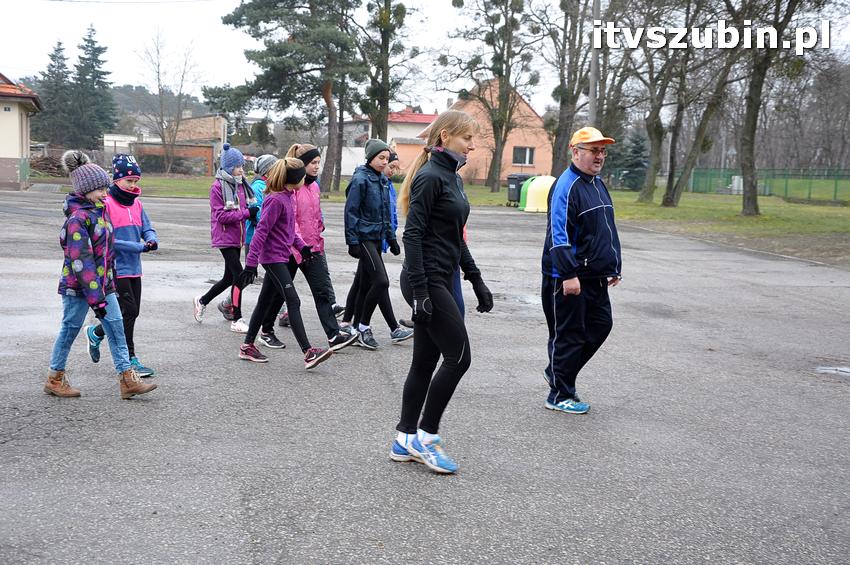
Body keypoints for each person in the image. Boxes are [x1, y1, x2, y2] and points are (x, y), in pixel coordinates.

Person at [389, 110, 494, 474]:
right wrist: (420, 292)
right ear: (446, 137)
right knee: (459, 357)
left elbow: (454, 236)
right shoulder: (431, 177)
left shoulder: (452, 177)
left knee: (424, 362)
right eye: (468, 138)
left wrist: (474, 277)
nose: (473, 145)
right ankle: (426, 437)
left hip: (444, 277)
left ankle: (404, 438)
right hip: (426, 279)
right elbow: (412, 235)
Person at [44, 150, 157, 400]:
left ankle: (127, 378)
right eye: (100, 189)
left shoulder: (100, 211)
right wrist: (97, 300)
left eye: (106, 188)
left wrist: (108, 285)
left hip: (105, 285)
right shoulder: (78, 219)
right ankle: (55, 377)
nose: (106, 193)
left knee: (117, 328)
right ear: (85, 190)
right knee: (69, 330)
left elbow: (107, 250)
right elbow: (81, 264)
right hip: (79, 289)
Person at [541, 126, 622, 415]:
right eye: (593, 150)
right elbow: (557, 233)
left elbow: (607, 229)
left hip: (596, 276)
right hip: (570, 277)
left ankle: (558, 371)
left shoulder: (597, 183)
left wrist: (614, 266)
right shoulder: (566, 185)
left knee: (601, 325)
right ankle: (559, 393)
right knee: (570, 335)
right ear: (575, 152)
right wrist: (567, 274)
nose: (599, 156)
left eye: (602, 151)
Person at [236, 158, 334, 370]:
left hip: (281, 255)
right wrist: (250, 265)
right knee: (293, 300)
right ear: (294, 179)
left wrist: (303, 247)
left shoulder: (289, 197)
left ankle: (247, 346)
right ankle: (308, 352)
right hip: (272, 258)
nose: (306, 178)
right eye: (302, 175)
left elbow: (288, 231)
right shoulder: (276, 200)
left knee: (263, 302)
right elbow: (261, 232)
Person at [260, 143, 356, 352]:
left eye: (319, 163)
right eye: (313, 163)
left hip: (313, 247)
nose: (316, 167)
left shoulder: (314, 186)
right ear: (301, 165)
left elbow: (314, 213)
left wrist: (319, 227)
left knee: (321, 291)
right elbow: (290, 220)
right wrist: (298, 245)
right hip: (291, 249)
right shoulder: (293, 187)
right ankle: (266, 331)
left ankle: (333, 335)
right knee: (277, 294)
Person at [85, 154, 158, 378]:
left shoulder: (137, 203)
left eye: (136, 181)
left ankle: (96, 332)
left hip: (135, 267)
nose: (133, 185)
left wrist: (151, 238)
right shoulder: (107, 204)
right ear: (116, 180)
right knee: (129, 310)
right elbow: (110, 238)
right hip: (115, 267)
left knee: (132, 313)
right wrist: (138, 247)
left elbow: (147, 227)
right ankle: (130, 359)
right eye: (129, 181)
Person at [340, 151, 414, 342]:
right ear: (371, 157)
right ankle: (363, 326)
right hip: (364, 238)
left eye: (387, 159)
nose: (385, 162)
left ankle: (354, 327)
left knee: (363, 284)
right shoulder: (360, 180)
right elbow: (351, 212)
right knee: (381, 282)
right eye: (381, 158)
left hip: (376, 238)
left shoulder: (381, 180)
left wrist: (391, 239)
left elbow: (386, 214)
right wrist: (352, 241)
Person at [193, 143, 258, 332]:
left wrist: (252, 214)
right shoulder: (217, 187)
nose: (241, 170)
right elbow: (221, 216)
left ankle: (202, 300)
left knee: (229, 278)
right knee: (240, 275)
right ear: (229, 167)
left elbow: (247, 208)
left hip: (238, 236)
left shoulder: (240, 185)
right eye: (238, 167)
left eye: (241, 166)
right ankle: (237, 319)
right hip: (224, 237)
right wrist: (247, 213)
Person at [218, 154, 276, 322]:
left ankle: (228, 303)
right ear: (268, 170)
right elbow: (256, 212)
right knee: (248, 275)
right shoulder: (258, 187)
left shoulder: (271, 186)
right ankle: (229, 304)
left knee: (274, 273)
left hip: (268, 237)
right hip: (255, 238)